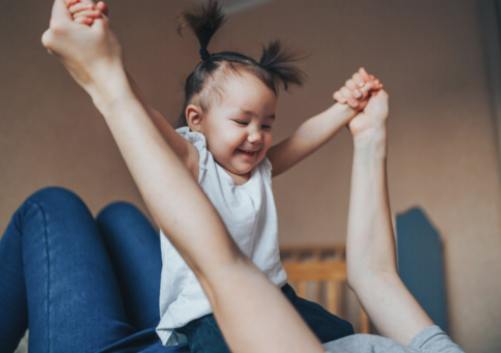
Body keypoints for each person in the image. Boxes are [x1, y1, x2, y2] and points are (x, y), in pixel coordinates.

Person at [61, 1, 383, 351]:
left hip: (275, 298)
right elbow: (141, 111)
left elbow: (304, 137)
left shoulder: (261, 168)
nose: (256, 135)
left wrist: (348, 107)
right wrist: (107, 57)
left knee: (341, 331)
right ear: (196, 120)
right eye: (242, 122)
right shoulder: (193, 160)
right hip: (208, 309)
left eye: (266, 124)